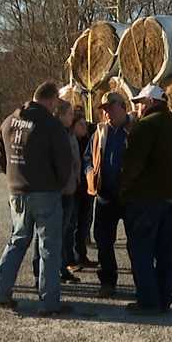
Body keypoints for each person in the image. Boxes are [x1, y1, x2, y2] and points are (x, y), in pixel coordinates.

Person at [0, 81, 74, 316]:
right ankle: (49, 302)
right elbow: (63, 163)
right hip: (45, 192)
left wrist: (13, 179)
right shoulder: (51, 125)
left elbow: (0, 159)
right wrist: (57, 185)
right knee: (49, 246)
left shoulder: (9, 122)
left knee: (17, 240)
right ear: (52, 100)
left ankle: (1, 292)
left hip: (16, 191)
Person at [118, 84, 172, 314]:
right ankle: (164, 298)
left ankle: (148, 301)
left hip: (146, 200)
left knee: (142, 250)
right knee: (168, 252)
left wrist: (123, 192)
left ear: (152, 102)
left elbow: (133, 165)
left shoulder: (144, 127)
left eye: (141, 102)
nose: (139, 107)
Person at [83, 91, 131, 298]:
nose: (107, 113)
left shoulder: (136, 129)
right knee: (103, 241)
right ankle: (108, 281)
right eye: (104, 110)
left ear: (123, 106)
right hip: (105, 195)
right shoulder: (100, 132)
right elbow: (87, 158)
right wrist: (89, 173)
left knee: (136, 242)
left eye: (111, 108)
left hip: (130, 196)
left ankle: (143, 282)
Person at [32, 100, 81, 284]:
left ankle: (60, 267)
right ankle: (41, 273)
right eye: (69, 114)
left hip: (69, 190)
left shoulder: (69, 133)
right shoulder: (54, 133)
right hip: (57, 191)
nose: (72, 117)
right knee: (47, 234)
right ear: (59, 115)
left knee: (61, 233)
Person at [68, 108, 96, 270]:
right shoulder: (70, 140)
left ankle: (81, 255)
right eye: (81, 124)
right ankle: (71, 259)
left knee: (84, 224)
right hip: (74, 189)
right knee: (72, 225)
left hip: (86, 188)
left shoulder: (88, 139)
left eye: (85, 123)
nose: (84, 127)